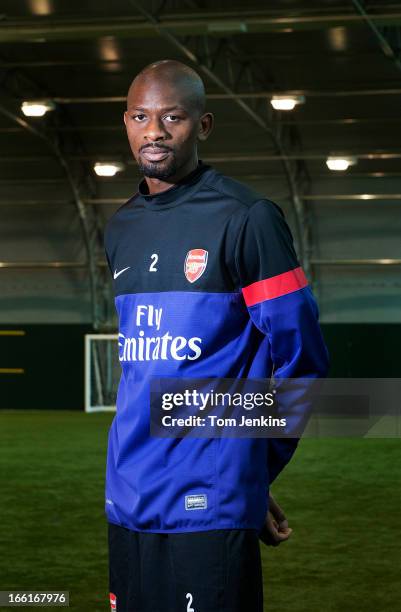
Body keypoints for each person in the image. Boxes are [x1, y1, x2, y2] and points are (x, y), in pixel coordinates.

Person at [104, 59, 329, 612]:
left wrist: (250, 469)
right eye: (141, 116)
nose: (154, 131)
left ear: (201, 125)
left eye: (172, 117)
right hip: (127, 499)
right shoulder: (120, 227)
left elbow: (304, 364)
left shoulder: (247, 218)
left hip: (207, 504)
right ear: (126, 123)